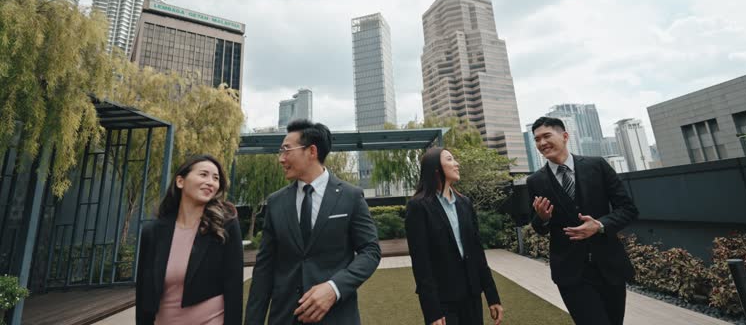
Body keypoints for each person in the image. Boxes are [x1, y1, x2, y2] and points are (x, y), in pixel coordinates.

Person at [244, 119, 381, 324]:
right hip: (284, 317)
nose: (281, 159)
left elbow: (370, 251)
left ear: (312, 151)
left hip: (336, 316)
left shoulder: (350, 196)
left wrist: (334, 288)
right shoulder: (275, 203)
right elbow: (264, 269)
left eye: (286, 150)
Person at [527, 116, 638, 325]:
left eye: (546, 136)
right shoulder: (535, 181)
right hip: (571, 273)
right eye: (537, 139)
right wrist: (542, 218)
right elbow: (537, 227)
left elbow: (628, 209)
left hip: (609, 266)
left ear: (565, 136)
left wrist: (600, 225)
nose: (541, 143)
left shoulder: (597, 166)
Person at [135, 154, 243, 325]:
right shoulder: (153, 232)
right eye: (203, 174)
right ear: (180, 181)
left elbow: (234, 287)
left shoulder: (225, 226)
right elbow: (143, 291)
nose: (211, 182)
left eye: (216, 178)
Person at [405, 147, 504, 325]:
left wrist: (492, 296)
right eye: (450, 159)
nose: (456, 164)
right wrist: (432, 311)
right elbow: (421, 263)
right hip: (443, 301)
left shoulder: (465, 203)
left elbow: (477, 252)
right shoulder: (418, 207)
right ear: (436, 169)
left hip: (472, 295)